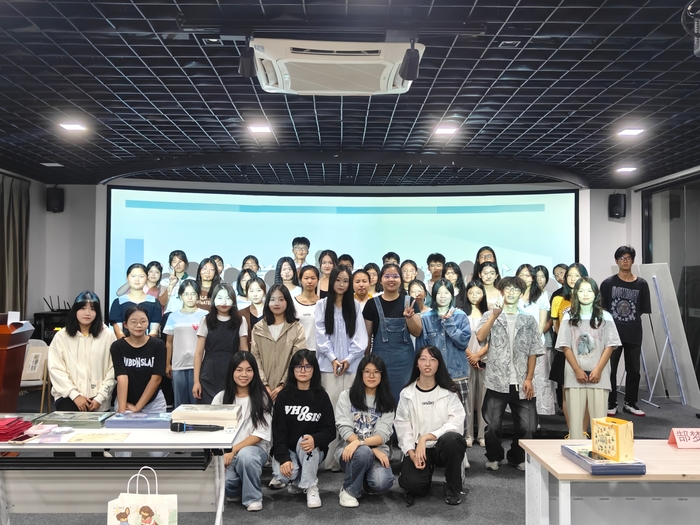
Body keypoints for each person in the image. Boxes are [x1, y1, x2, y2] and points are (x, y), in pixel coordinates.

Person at [476, 277, 543, 472]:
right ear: (501, 291)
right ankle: (494, 456)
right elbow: (480, 337)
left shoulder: (528, 320)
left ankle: (517, 457)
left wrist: (529, 378)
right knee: (492, 425)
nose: (511, 292)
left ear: (521, 294)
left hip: (522, 382)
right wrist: (494, 316)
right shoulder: (490, 315)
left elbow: (533, 351)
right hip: (497, 381)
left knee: (529, 426)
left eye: (516, 289)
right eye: (508, 289)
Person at [395, 345, 467, 506]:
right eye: (423, 359)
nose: (427, 364)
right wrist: (411, 453)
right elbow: (402, 426)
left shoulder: (449, 392)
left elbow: (456, 423)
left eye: (432, 360)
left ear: (439, 364)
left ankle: (453, 487)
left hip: (443, 446)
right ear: (417, 363)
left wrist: (426, 437)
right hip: (419, 450)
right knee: (413, 485)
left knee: (452, 440)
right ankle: (420, 476)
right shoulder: (407, 393)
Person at [315, 265, 369, 469]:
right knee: (330, 411)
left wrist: (348, 359)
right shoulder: (321, 305)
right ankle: (329, 459)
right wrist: (333, 358)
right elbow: (320, 336)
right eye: (338, 280)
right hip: (328, 368)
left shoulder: (354, 306)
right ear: (331, 281)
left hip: (351, 367)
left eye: (346, 281)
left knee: (350, 411)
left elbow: (361, 338)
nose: (342, 284)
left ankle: (347, 457)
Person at [556, 277, 621, 439]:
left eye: (589, 291)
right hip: (574, 374)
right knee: (575, 425)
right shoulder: (568, 317)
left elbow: (610, 346)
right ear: (576, 293)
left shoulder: (606, 317)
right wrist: (577, 370)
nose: (585, 294)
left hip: (599, 375)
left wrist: (598, 369)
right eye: (581, 290)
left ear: (596, 294)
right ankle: (575, 449)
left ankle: (600, 453)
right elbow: (565, 346)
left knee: (600, 425)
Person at [270, 350, 335, 509]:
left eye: (307, 366)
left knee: (305, 439)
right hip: (288, 449)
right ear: (292, 369)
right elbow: (278, 433)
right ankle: (298, 481)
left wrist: (315, 439)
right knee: (283, 475)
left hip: (312, 449)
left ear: (314, 369)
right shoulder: (284, 396)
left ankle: (311, 486)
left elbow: (330, 431)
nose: (303, 370)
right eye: (299, 366)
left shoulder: (322, 396)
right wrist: (284, 458)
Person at [212, 352, 273, 512]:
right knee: (227, 484)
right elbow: (213, 430)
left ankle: (253, 497)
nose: (244, 375)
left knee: (246, 457)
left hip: (255, 450)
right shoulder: (220, 398)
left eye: (248, 370)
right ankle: (241, 485)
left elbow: (260, 434)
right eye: (239, 370)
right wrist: (221, 454)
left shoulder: (262, 398)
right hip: (228, 453)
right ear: (232, 372)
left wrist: (233, 450)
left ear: (254, 372)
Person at [415, 279, 471, 453]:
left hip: (457, 374)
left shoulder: (460, 316)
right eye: (439, 292)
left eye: (446, 292)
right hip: (433, 376)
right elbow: (421, 348)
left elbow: (463, 342)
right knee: (434, 414)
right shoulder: (426, 318)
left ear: (452, 294)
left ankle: (459, 453)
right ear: (433, 295)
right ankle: (435, 451)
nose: (442, 296)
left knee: (457, 415)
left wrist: (449, 323)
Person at [334, 355, 396, 507]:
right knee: (363, 452)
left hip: (376, 451)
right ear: (361, 373)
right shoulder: (346, 396)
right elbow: (344, 428)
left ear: (382, 374)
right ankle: (349, 491)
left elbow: (383, 435)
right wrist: (364, 446)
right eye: (367, 371)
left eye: (376, 372)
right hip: (349, 451)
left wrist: (361, 443)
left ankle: (361, 477)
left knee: (382, 482)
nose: (371, 376)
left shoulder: (387, 402)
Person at [600, 246, 652, 417]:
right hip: (612, 334)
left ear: (633, 261)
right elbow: (603, 309)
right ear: (616, 261)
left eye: (628, 258)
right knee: (611, 369)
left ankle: (630, 403)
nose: (625, 261)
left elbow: (642, 309)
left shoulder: (641, 284)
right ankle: (611, 402)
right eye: (622, 258)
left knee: (634, 370)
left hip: (633, 333)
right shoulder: (608, 284)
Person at [110, 305, 167, 457]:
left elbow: (156, 379)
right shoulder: (117, 346)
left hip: (154, 402)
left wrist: (138, 407)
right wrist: (123, 410)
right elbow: (122, 378)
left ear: (148, 323)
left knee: (157, 453)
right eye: (133, 322)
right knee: (123, 450)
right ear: (125, 324)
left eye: (143, 321)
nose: (139, 325)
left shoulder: (158, 345)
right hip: (126, 400)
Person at [363, 263, 422, 404]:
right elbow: (367, 337)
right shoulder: (371, 304)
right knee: (381, 401)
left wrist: (409, 318)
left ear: (400, 280)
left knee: (405, 401)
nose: (391, 279)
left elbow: (417, 332)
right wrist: (366, 362)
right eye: (387, 276)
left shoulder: (410, 302)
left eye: (395, 276)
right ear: (380, 280)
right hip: (379, 363)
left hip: (405, 363)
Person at [48, 290, 116, 412]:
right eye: (83, 308)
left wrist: (100, 397)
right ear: (75, 310)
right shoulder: (61, 336)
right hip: (68, 396)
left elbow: (113, 369)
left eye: (92, 309)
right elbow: (55, 369)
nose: (87, 313)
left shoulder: (108, 335)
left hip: (99, 399)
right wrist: (75, 395)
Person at [193, 283, 248, 404]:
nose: (224, 302)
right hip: (208, 373)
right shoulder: (206, 320)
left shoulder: (240, 320)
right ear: (213, 300)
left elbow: (244, 351)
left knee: (229, 409)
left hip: (232, 372)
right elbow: (198, 353)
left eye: (228, 298)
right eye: (220, 298)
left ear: (233, 300)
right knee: (208, 411)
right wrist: (196, 381)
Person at [251, 284, 307, 401]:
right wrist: (264, 384)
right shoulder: (258, 329)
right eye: (272, 299)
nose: (276, 303)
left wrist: (283, 385)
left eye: (281, 299)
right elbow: (255, 358)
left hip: (289, 388)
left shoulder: (296, 328)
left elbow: (297, 358)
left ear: (288, 302)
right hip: (262, 390)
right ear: (267, 302)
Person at [550, 263, 588, 424]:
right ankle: (572, 429)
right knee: (566, 391)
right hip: (565, 351)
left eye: (576, 275)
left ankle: (583, 430)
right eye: (569, 275)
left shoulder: (589, 298)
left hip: (586, 351)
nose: (572, 279)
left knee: (585, 393)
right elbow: (556, 326)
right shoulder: (558, 299)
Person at [516, 264, 556, 416]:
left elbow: (542, 322)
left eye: (527, 275)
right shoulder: (513, 293)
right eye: (521, 275)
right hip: (516, 344)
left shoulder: (541, 295)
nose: (524, 278)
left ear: (533, 278)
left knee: (537, 380)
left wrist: (533, 342)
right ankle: (520, 414)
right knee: (519, 379)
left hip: (536, 344)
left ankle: (535, 416)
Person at [163, 280, 208, 408]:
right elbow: (169, 343)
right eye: (186, 294)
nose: (190, 297)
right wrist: (167, 364)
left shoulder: (205, 315)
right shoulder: (173, 316)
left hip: (200, 365)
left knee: (198, 404)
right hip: (178, 365)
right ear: (180, 296)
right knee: (180, 405)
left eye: (193, 294)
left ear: (198, 295)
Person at [464, 281, 488, 447]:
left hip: (484, 360)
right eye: (471, 292)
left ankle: (482, 434)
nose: (474, 296)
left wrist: (478, 355)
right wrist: (471, 356)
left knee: (483, 399)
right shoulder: (461, 314)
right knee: (467, 399)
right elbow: (458, 338)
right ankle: (468, 434)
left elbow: (493, 339)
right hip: (466, 359)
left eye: (478, 292)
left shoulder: (489, 314)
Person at [109, 263, 162, 339]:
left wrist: (146, 343)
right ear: (127, 278)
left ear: (147, 278)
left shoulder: (154, 302)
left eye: (141, 276)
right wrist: (127, 344)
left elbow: (153, 332)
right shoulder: (118, 302)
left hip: (149, 344)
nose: (137, 280)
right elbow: (119, 333)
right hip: (124, 344)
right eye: (133, 276)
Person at [294, 266, 320, 352]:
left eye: (313, 278)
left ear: (318, 280)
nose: (309, 281)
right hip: (298, 349)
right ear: (300, 280)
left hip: (318, 350)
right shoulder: (293, 303)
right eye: (306, 278)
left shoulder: (323, 303)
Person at [240, 277, 267, 350]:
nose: (255, 294)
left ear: (264, 292)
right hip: (249, 352)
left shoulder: (271, 312)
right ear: (247, 293)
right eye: (251, 291)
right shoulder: (241, 314)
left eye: (259, 290)